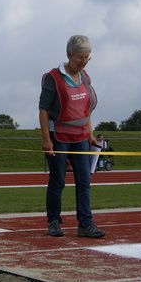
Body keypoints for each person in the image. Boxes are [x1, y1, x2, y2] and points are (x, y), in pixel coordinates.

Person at [39, 35, 106, 239]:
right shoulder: (53, 77)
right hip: (58, 136)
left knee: (84, 181)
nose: (84, 61)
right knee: (58, 180)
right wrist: (46, 139)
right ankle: (53, 222)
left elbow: (86, 111)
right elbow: (43, 110)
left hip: (80, 137)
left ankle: (85, 223)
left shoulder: (85, 77)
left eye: (87, 57)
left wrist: (91, 135)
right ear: (69, 54)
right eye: (80, 57)